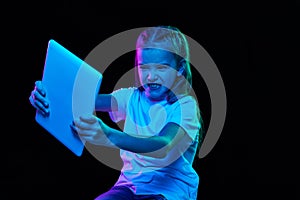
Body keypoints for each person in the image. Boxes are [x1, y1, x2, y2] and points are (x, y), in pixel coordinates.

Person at [29, 26, 203, 200]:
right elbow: (77, 101)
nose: (151, 77)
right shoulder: (130, 97)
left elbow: (163, 146)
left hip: (170, 193)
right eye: (144, 68)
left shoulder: (185, 106)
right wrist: (46, 95)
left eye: (161, 68)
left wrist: (108, 135)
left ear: (179, 69)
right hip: (129, 187)